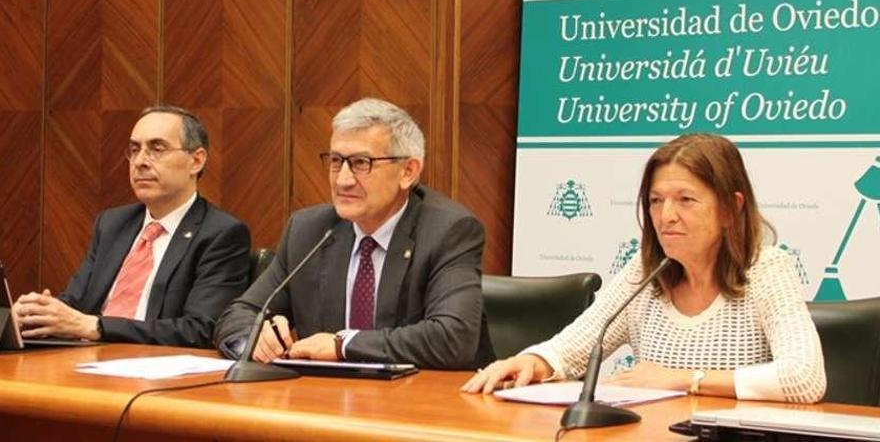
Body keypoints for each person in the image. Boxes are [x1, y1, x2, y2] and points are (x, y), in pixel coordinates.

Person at [462, 133, 826, 403]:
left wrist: (685, 379)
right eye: (655, 201)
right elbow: (573, 347)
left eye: (685, 200)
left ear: (731, 209)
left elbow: (804, 379)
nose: (666, 216)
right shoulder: (646, 272)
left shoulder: (765, 269)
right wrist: (532, 361)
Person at [214, 98, 494, 369]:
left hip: (425, 405)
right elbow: (236, 316)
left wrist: (343, 345)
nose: (343, 179)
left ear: (408, 172)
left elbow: (453, 337)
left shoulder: (447, 231)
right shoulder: (309, 230)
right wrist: (254, 338)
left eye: (361, 163)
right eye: (336, 161)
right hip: (327, 405)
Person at [12, 105, 251, 347]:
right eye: (135, 150)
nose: (139, 162)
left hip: (155, 369)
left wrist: (96, 326)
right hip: (86, 360)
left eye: (157, 149)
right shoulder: (112, 224)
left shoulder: (221, 233)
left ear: (196, 161)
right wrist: (40, 314)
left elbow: (201, 329)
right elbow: (76, 302)